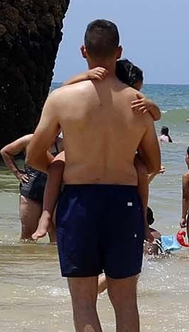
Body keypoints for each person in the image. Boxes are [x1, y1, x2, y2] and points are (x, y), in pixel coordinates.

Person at [27, 19, 161, 332]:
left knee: (84, 300)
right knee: (125, 300)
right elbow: (152, 163)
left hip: (79, 202)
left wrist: (63, 166)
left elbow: (34, 155)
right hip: (123, 203)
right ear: (119, 52)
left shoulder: (62, 99)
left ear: (84, 51)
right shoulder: (138, 104)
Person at [33, 59, 161, 242]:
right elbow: (63, 90)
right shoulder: (90, 92)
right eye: (135, 89)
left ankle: (143, 222)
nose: (136, 94)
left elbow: (156, 116)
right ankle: (45, 214)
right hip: (80, 149)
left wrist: (152, 106)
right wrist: (84, 75)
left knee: (141, 170)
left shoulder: (137, 103)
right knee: (56, 166)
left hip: (122, 154)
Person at [1, 133, 50, 241]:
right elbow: (5, 152)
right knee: (27, 235)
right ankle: (26, 253)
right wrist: (17, 173)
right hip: (31, 191)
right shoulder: (29, 139)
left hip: (55, 191)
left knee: (56, 233)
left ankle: (52, 253)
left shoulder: (64, 142)